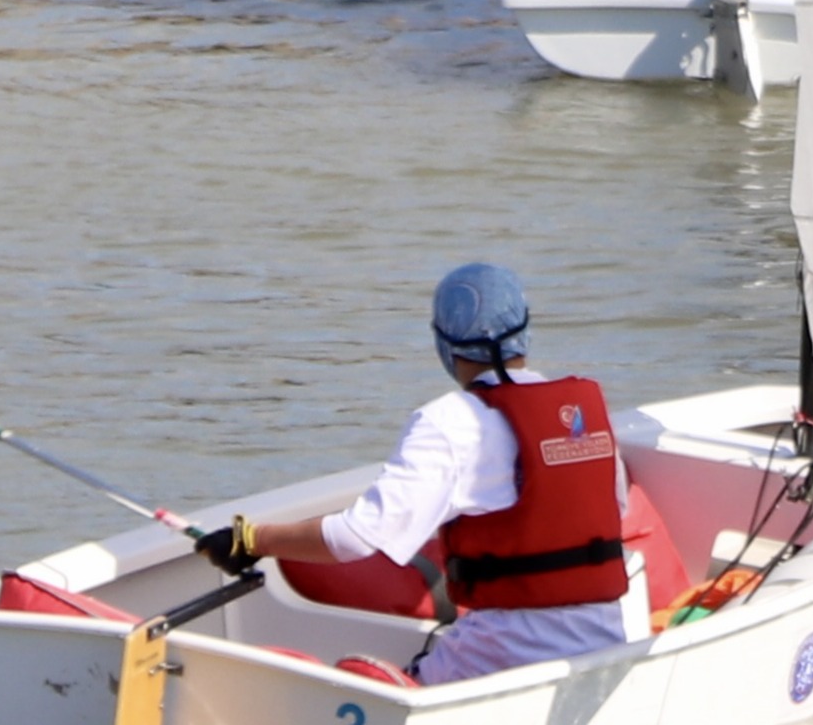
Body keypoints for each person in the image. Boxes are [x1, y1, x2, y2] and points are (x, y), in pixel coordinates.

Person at [204, 262, 647, 681]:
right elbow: (606, 512)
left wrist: (251, 540)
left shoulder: (448, 422)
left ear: (443, 343)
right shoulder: (585, 414)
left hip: (499, 665)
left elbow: (355, 538)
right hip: (601, 656)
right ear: (526, 330)